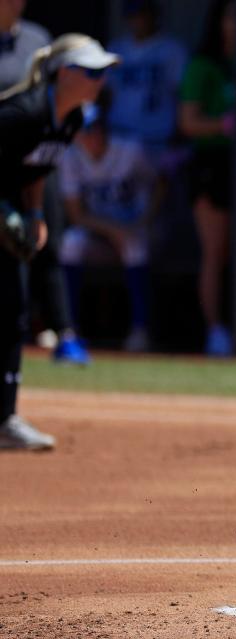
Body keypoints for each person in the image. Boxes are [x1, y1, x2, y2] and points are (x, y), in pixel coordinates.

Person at [0, 34, 118, 449]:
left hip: (9, 212)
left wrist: (33, 213)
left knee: (13, 314)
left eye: (103, 72)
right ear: (64, 73)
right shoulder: (23, 113)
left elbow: (36, 169)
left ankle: (5, 421)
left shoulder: (69, 119)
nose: (100, 79)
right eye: (91, 71)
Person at [178, 0, 236, 357]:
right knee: (215, 251)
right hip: (213, 160)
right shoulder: (204, 65)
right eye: (231, 16)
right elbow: (187, 122)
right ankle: (215, 329)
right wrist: (224, 125)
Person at [0, 0, 90, 366]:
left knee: (43, 241)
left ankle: (62, 331)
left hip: (32, 158)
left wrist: (32, 208)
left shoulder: (36, 39)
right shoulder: (23, 110)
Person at [58, 95, 159, 352]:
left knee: (135, 244)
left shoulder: (130, 150)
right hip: (98, 230)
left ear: (105, 127)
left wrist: (143, 220)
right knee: (71, 243)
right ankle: (69, 329)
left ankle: (140, 329)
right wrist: (112, 230)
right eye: (85, 130)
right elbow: (76, 215)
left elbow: (161, 183)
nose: (92, 136)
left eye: (96, 128)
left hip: (131, 224)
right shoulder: (70, 156)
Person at [106, 0, 187, 160]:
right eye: (133, 15)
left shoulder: (172, 50)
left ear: (154, 15)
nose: (138, 20)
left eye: (142, 14)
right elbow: (105, 94)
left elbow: (181, 96)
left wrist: (178, 136)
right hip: (120, 137)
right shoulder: (116, 49)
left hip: (157, 139)